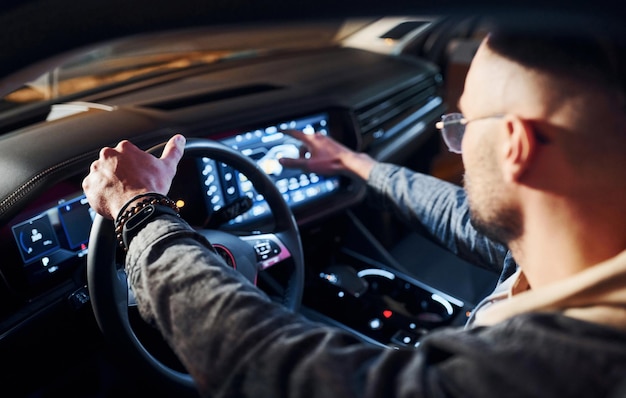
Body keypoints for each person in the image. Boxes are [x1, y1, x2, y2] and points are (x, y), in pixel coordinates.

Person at [82, 24, 626, 397]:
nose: (456, 144)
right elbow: (468, 215)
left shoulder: (555, 371)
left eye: (461, 126)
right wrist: (356, 163)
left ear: (515, 145)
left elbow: (271, 368)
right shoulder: (585, 248)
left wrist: (137, 211)